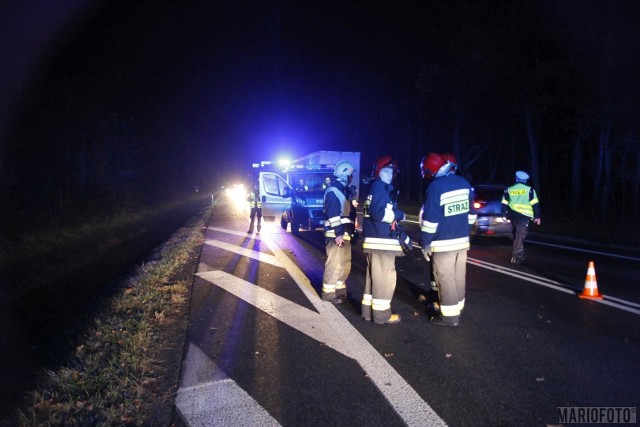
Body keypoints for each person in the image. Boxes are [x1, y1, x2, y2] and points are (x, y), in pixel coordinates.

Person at [420, 153, 476, 327]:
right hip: (462, 242)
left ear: (433, 170)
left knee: (445, 278)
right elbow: (472, 216)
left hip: (443, 243)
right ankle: (457, 307)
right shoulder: (464, 183)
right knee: (459, 276)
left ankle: (450, 317)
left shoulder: (436, 187)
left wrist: (426, 243)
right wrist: (462, 231)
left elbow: (430, 221)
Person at [361, 155, 408, 324]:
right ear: (378, 172)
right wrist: (399, 214)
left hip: (376, 239)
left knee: (374, 277)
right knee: (385, 277)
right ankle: (382, 315)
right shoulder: (380, 187)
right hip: (381, 241)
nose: (389, 175)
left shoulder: (376, 187)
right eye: (386, 171)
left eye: (392, 172)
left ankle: (369, 312)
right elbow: (379, 213)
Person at [321, 161, 356, 304]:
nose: (351, 177)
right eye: (350, 174)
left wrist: (352, 232)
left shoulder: (343, 190)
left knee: (344, 263)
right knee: (335, 263)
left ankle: (340, 289)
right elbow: (333, 214)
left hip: (344, 234)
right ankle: (328, 293)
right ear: (344, 174)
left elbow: (347, 214)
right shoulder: (334, 191)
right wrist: (339, 233)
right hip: (336, 235)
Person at [501, 170, 541, 264]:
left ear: (517, 179)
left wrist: (503, 215)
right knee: (519, 235)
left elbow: (504, 204)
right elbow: (535, 204)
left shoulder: (509, 189)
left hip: (513, 216)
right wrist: (537, 216)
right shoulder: (530, 190)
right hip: (525, 217)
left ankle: (518, 253)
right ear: (525, 180)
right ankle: (517, 254)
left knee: (516, 235)